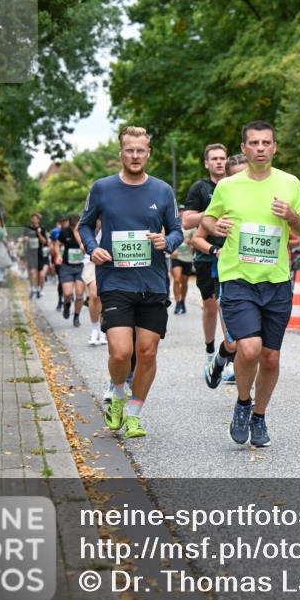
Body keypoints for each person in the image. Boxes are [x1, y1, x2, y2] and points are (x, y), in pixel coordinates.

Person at [201, 121, 300, 447]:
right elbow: (206, 220)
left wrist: (291, 216)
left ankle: (259, 416)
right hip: (237, 278)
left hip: (275, 281)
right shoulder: (228, 186)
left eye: (266, 143)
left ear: (274, 147)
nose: (260, 148)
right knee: (249, 348)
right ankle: (243, 403)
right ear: (244, 148)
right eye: (254, 143)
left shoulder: (290, 184)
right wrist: (215, 224)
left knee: (271, 358)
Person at [79, 126, 182, 439]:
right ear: (120, 153)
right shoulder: (102, 188)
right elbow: (85, 225)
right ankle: (118, 392)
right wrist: (92, 248)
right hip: (114, 280)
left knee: (147, 352)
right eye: (129, 150)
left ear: (148, 153)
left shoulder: (163, 191)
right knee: (121, 353)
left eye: (141, 150)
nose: (135, 156)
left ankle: (134, 413)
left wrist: (169, 241)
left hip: (152, 283)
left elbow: (177, 230)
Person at [196, 153, 249, 386]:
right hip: (227, 274)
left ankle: (244, 396)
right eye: (236, 177)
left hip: (259, 277)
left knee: (253, 343)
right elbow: (197, 237)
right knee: (233, 343)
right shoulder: (221, 205)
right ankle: (218, 360)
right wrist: (215, 250)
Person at [183, 144, 228, 372]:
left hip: (232, 256)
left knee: (227, 306)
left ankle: (229, 355)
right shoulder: (200, 188)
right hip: (207, 256)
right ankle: (210, 350)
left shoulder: (236, 185)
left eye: (222, 158)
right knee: (211, 307)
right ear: (207, 163)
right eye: (214, 158)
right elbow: (186, 221)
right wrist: (210, 213)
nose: (219, 162)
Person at [54, 215, 86, 326]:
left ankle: (76, 316)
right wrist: (58, 255)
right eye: (72, 227)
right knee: (67, 293)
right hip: (67, 266)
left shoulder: (84, 231)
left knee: (79, 294)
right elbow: (57, 244)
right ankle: (67, 304)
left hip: (81, 266)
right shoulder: (64, 231)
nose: (74, 229)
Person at [81, 218, 107, 346]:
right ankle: (94, 329)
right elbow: (79, 231)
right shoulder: (87, 222)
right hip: (91, 261)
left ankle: (103, 330)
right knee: (94, 295)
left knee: (104, 297)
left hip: (108, 261)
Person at [170, 205, 194, 315]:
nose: (181, 213)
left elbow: (197, 241)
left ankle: (183, 301)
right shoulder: (173, 225)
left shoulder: (192, 227)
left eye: (183, 211)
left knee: (184, 282)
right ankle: (177, 302)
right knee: (177, 279)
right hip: (176, 256)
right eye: (179, 211)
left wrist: (192, 242)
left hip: (187, 258)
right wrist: (171, 250)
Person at [25, 213, 49, 298]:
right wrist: (25, 239)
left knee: (40, 273)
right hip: (30, 252)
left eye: (36, 218)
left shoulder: (42, 228)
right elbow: (23, 238)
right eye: (33, 218)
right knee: (32, 272)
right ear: (31, 219)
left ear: (38, 220)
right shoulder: (27, 228)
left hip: (39, 253)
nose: (34, 220)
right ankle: (32, 288)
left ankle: (39, 288)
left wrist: (39, 234)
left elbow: (44, 242)